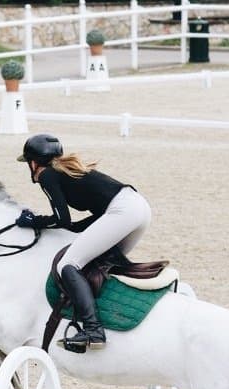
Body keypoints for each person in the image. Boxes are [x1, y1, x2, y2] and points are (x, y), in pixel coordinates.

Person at [14, 133, 151, 353]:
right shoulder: (66, 171)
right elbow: (78, 224)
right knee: (99, 263)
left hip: (122, 211)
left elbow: (61, 219)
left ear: (33, 162)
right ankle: (114, 314)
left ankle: (93, 329)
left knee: (68, 266)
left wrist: (33, 221)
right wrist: (69, 228)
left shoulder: (47, 175)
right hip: (139, 208)